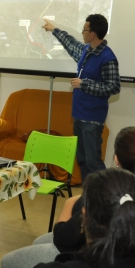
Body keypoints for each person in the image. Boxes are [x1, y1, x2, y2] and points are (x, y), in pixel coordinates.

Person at [1, 126, 135, 268]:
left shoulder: (101, 193)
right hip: (122, 249)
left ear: (116, 159)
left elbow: (63, 237)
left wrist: (69, 204)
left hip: (83, 254)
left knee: (7, 264)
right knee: (38, 241)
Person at [42, 14, 121, 181]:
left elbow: (113, 87)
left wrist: (84, 84)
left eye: (84, 30)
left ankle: (103, 199)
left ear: (92, 34)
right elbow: (71, 43)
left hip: (92, 119)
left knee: (93, 162)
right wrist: (54, 30)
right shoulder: (86, 51)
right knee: (83, 160)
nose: (82, 32)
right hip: (79, 115)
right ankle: (88, 197)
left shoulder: (108, 58)